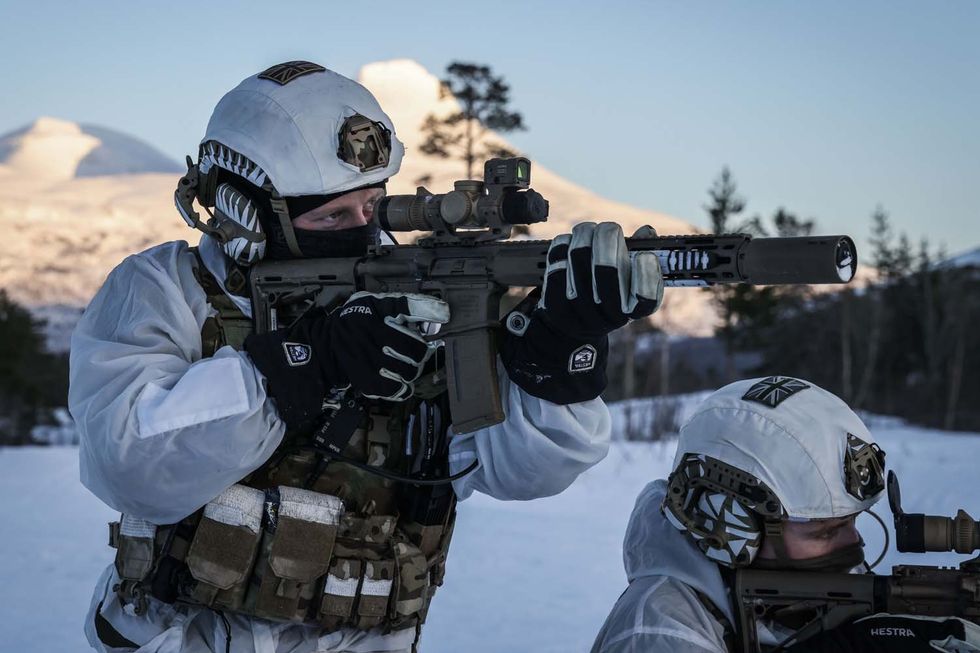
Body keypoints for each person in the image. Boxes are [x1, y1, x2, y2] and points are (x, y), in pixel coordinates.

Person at [68, 61, 665, 653]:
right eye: (331, 216)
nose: (362, 229)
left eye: (373, 206)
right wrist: (302, 363)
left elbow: (522, 472)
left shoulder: (418, 297)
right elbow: (130, 465)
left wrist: (556, 361)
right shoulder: (166, 288)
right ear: (244, 213)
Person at [591, 376, 980, 653]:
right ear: (729, 526)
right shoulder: (657, 630)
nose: (855, 547)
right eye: (826, 532)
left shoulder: (809, 586)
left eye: (852, 522)